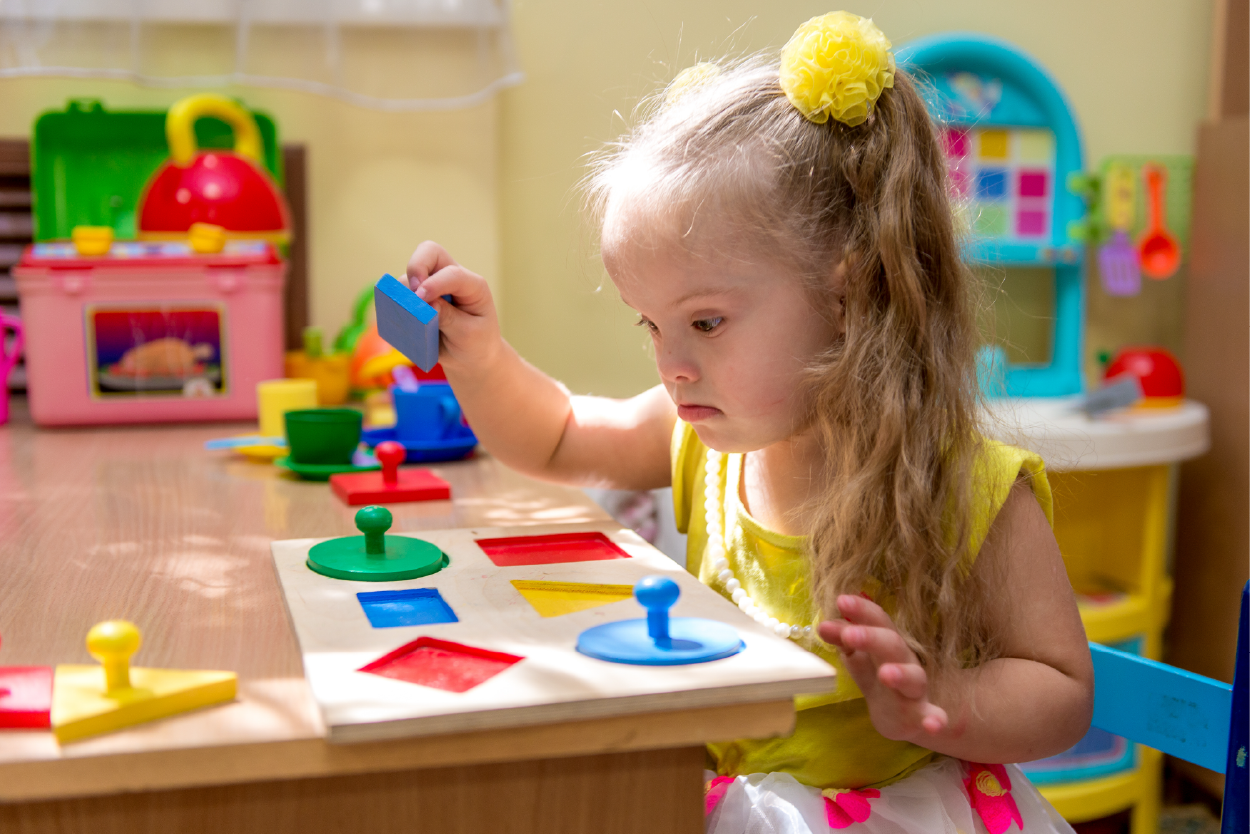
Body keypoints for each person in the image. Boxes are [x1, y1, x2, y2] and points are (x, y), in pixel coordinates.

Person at [401, 11, 1091, 833]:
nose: (672, 364)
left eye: (707, 322)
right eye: (651, 325)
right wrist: (478, 358)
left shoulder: (968, 486)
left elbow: (1062, 687)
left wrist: (940, 700)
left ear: (849, 294)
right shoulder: (699, 436)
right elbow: (555, 436)